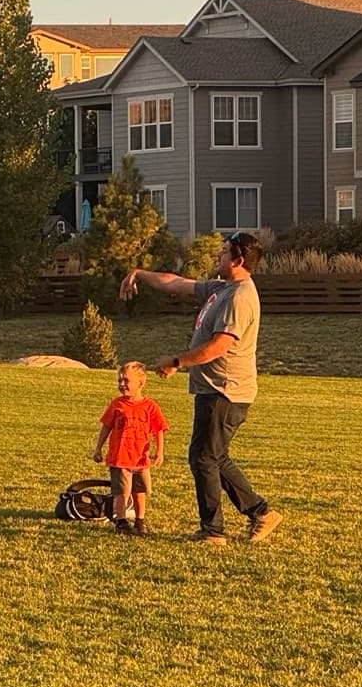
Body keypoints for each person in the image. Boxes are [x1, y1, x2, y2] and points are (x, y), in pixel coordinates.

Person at [119, 232, 281, 547]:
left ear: (238, 260)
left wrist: (177, 361)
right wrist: (139, 273)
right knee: (211, 457)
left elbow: (219, 346)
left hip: (225, 391)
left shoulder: (239, 297)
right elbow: (177, 283)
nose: (219, 255)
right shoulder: (221, 288)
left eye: (225, 252)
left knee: (205, 458)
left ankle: (214, 531)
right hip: (213, 390)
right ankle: (259, 513)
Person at [91, 361, 167, 536]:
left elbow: (158, 430)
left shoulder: (150, 406)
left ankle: (140, 521)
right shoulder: (117, 404)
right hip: (120, 458)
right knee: (122, 492)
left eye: (126, 380)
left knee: (140, 491)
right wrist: (98, 448)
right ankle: (121, 521)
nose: (122, 384)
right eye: (120, 381)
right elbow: (106, 427)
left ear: (141, 383)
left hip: (141, 459)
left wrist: (159, 451)